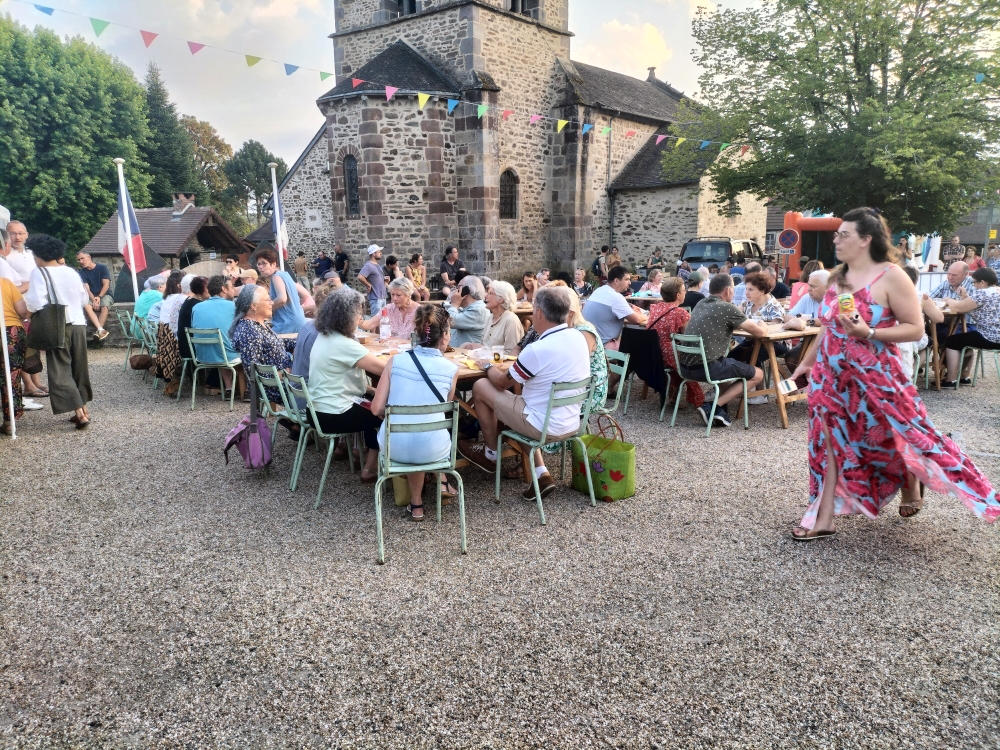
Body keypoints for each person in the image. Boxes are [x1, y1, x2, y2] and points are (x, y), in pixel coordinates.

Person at [789, 207, 998, 538]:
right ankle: (823, 516)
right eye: (836, 233)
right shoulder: (837, 276)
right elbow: (828, 328)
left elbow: (916, 329)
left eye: (844, 234)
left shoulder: (891, 275)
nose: (836, 238)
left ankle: (911, 479)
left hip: (876, 378)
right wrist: (807, 362)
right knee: (826, 441)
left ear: (866, 240)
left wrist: (868, 333)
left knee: (896, 436)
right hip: (832, 377)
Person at [458, 285, 591, 500]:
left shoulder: (537, 348)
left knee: (480, 386)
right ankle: (541, 473)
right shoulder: (578, 338)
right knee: (523, 403)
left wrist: (486, 365)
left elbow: (501, 383)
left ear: (538, 312)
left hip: (540, 425)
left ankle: (490, 454)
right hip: (571, 421)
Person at [372, 304, 461, 519]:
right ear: (446, 336)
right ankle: (439, 484)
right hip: (436, 450)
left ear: (416, 333)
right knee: (427, 429)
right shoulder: (452, 369)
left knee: (412, 431)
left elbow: (376, 408)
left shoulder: (395, 361)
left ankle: (417, 503)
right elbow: (445, 406)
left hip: (394, 448)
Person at [308, 288, 386, 482]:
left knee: (372, 403)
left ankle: (365, 458)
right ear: (347, 316)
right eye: (359, 313)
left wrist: (370, 389)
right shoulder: (344, 344)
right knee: (382, 412)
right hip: (333, 414)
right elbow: (385, 370)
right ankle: (371, 467)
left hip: (317, 411)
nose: (360, 318)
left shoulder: (324, 336)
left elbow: (337, 379)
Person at [677, 273, 766, 427]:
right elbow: (761, 333)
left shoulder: (701, 303)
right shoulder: (727, 307)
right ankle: (714, 405)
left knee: (731, 365)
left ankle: (717, 407)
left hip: (685, 369)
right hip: (707, 369)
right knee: (758, 374)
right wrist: (762, 323)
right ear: (728, 291)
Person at [23, 234, 93, 428]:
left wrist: (26, 314)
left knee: (60, 369)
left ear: (38, 255)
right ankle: (84, 408)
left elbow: (36, 302)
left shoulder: (40, 272)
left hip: (57, 324)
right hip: (78, 323)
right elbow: (82, 300)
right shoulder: (70, 271)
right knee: (79, 367)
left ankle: (80, 413)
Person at [231, 285, 296, 405]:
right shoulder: (250, 331)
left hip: (283, 379)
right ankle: (302, 420)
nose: (272, 302)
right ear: (253, 306)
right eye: (268, 300)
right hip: (275, 387)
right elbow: (252, 369)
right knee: (316, 384)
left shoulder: (257, 324)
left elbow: (277, 343)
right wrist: (282, 374)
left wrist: (301, 342)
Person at [647, 277, 703, 410]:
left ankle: (673, 396)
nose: (686, 293)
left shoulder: (656, 308)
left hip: (652, 354)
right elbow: (688, 337)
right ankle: (701, 402)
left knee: (677, 356)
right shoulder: (681, 313)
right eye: (684, 290)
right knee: (688, 359)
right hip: (668, 356)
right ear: (678, 295)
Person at [731, 272, 786, 403]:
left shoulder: (774, 306)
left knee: (752, 357)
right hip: (751, 341)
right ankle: (735, 388)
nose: (746, 292)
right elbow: (735, 319)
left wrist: (748, 326)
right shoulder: (747, 304)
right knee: (730, 357)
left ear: (762, 291)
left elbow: (775, 330)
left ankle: (760, 394)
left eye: (750, 289)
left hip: (774, 344)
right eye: (746, 288)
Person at [941, 268, 1000, 387]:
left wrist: (949, 300)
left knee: (952, 341)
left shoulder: (983, 293)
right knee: (966, 338)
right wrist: (965, 297)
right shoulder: (997, 291)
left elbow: (958, 308)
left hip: (989, 337)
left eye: (974, 282)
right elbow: (972, 304)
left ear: (982, 282)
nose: (974, 285)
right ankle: (964, 376)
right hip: (997, 337)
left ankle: (950, 379)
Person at [192, 275, 242, 395]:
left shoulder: (196, 307)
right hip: (226, 355)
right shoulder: (233, 306)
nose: (233, 290)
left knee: (223, 343)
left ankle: (229, 388)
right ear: (224, 289)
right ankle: (246, 390)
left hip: (201, 356)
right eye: (232, 287)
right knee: (240, 346)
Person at [896, 265, 941, 382]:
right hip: (911, 337)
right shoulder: (921, 295)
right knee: (930, 343)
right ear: (916, 280)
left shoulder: (890, 293)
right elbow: (939, 318)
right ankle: (913, 371)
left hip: (892, 335)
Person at [583, 265, 647, 347]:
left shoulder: (599, 290)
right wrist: (646, 316)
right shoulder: (615, 297)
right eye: (627, 279)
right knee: (641, 346)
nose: (630, 283)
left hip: (587, 344)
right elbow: (636, 320)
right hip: (602, 347)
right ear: (616, 281)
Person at [782, 269, 832, 369]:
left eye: (813, 286)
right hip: (808, 341)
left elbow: (826, 320)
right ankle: (804, 384)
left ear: (827, 287)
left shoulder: (836, 299)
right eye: (808, 285)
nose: (808, 289)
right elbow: (788, 316)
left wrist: (806, 321)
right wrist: (795, 321)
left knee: (816, 362)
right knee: (791, 358)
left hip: (830, 342)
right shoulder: (807, 298)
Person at [0, 276, 28, 435]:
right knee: (11, 377)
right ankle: (10, 421)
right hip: (12, 331)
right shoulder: (5, 282)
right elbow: (22, 311)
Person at [256, 248, 306, 335]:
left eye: (264, 263)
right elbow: (304, 295)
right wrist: (294, 307)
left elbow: (282, 298)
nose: (260, 267)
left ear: (273, 264)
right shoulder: (285, 275)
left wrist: (265, 308)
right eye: (259, 264)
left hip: (287, 323)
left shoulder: (276, 277)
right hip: (299, 320)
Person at [470, 280, 524, 352]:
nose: (486, 296)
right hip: (484, 362)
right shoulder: (490, 318)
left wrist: (482, 349)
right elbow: (483, 345)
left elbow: (511, 354)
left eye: (490, 293)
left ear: (500, 299)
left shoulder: (511, 321)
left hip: (499, 363)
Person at [73, 250, 111, 340]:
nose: (81, 262)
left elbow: (106, 285)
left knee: (104, 305)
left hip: (104, 293)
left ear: (89, 257)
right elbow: (87, 289)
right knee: (86, 305)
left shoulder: (102, 268)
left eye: (82, 258)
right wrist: (94, 299)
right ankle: (100, 329)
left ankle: (100, 331)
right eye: (78, 260)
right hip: (91, 295)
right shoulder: (81, 273)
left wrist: (99, 297)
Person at [445, 275, 490, 347]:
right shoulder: (465, 308)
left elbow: (449, 321)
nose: (456, 291)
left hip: (470, 356)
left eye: (458, 287)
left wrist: (454, 303)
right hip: (458, 354)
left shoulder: (478, 310)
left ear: (466, 291)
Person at [177, 276, 209, 362]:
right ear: (204, 289)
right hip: (191, 348)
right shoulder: (198, 305)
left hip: (184, 345)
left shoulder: (189, 300)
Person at [357, 244, 387, 317]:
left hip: (382, 297)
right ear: (374, 254)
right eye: (379, 252)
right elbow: (360, 277)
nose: (381, 253)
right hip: (375, 298)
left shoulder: (377, 265)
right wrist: (368, 285)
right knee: (375, 320)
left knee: (383, 319)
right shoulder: (368, 266)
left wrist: (385, 280)